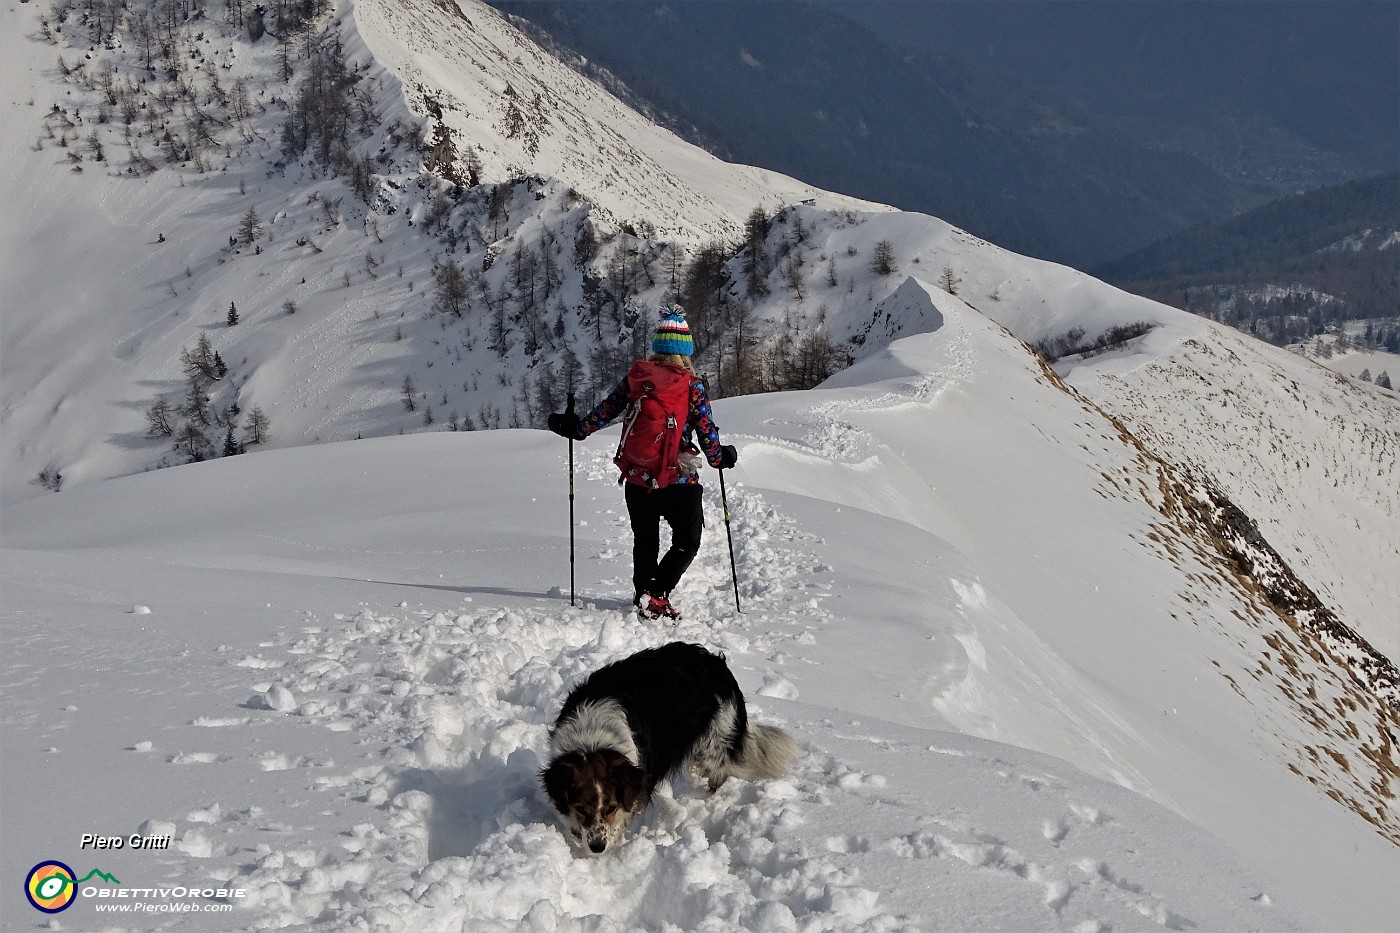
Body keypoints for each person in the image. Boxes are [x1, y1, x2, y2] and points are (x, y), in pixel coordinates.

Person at [549, 306, 737, 620]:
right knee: (687, 541)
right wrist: (724, 457)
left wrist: (575, 428)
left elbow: (604, 413)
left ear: (657, 348)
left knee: (645, 541)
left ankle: (642, 595)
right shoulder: (692, 387)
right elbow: (708, 438)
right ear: (685, 352)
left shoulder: (637, 380)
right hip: (677, 481)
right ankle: (657, 592)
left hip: (637, 477)